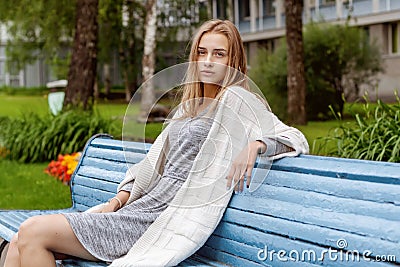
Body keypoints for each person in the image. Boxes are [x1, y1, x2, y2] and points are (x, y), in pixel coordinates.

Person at [4, 19, 309, 267]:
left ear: (234, 60)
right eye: (202, 52)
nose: (208, 61)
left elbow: (294, 137)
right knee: (19, 240)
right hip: (137, 210)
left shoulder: (239, 100)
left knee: (32, 232)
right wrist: (117, 201)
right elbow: (150, 166)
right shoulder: (190, 107)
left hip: (160, 220)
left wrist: (256, 145)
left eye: (219, 54)